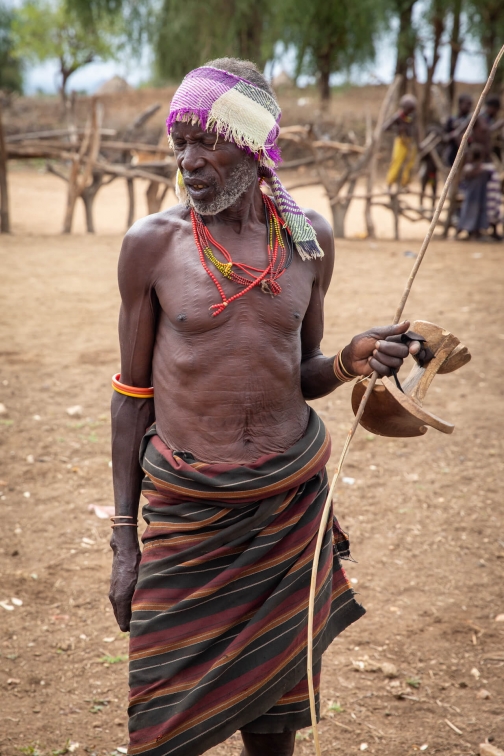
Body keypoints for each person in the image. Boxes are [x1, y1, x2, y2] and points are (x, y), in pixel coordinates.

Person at [109, 58, 423, 756]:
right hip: (189, 516)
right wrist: (124, 541)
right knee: (162, 727)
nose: (187, 160)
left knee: (273, 724)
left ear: (254, 145)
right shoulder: (152, 247)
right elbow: (131, 400)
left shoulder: (307, 242)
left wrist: (349, 359)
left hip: (285, 509)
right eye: (178, 141)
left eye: (207, 142)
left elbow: (299, 374)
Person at [456, 142, 497, 239]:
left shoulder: (485, 170)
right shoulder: (471, 169)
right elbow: (465, 178)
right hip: (471, 197)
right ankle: (468, 232)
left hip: (480, 197)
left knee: (476, 213)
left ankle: (476, 232)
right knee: (468, 213)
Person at [384, 94, 418, 190]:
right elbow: (385, 128)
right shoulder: (398, 117)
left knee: (410, 162)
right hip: (401, 141)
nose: (410, 111)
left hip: (410, 142)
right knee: (397, 162)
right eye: (409, 109)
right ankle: (389, 184)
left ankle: (404, 183)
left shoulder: (412, 117)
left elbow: (415, 129)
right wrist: (398, 129)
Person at [443, 93, 473, 167]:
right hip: (453, 152)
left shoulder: (472, 120)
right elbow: (445, 137)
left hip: (468, 152)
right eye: (467, 104)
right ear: (460, 104)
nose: (469, 107)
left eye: (470, 105)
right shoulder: (451, 120)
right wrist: (454, 135)